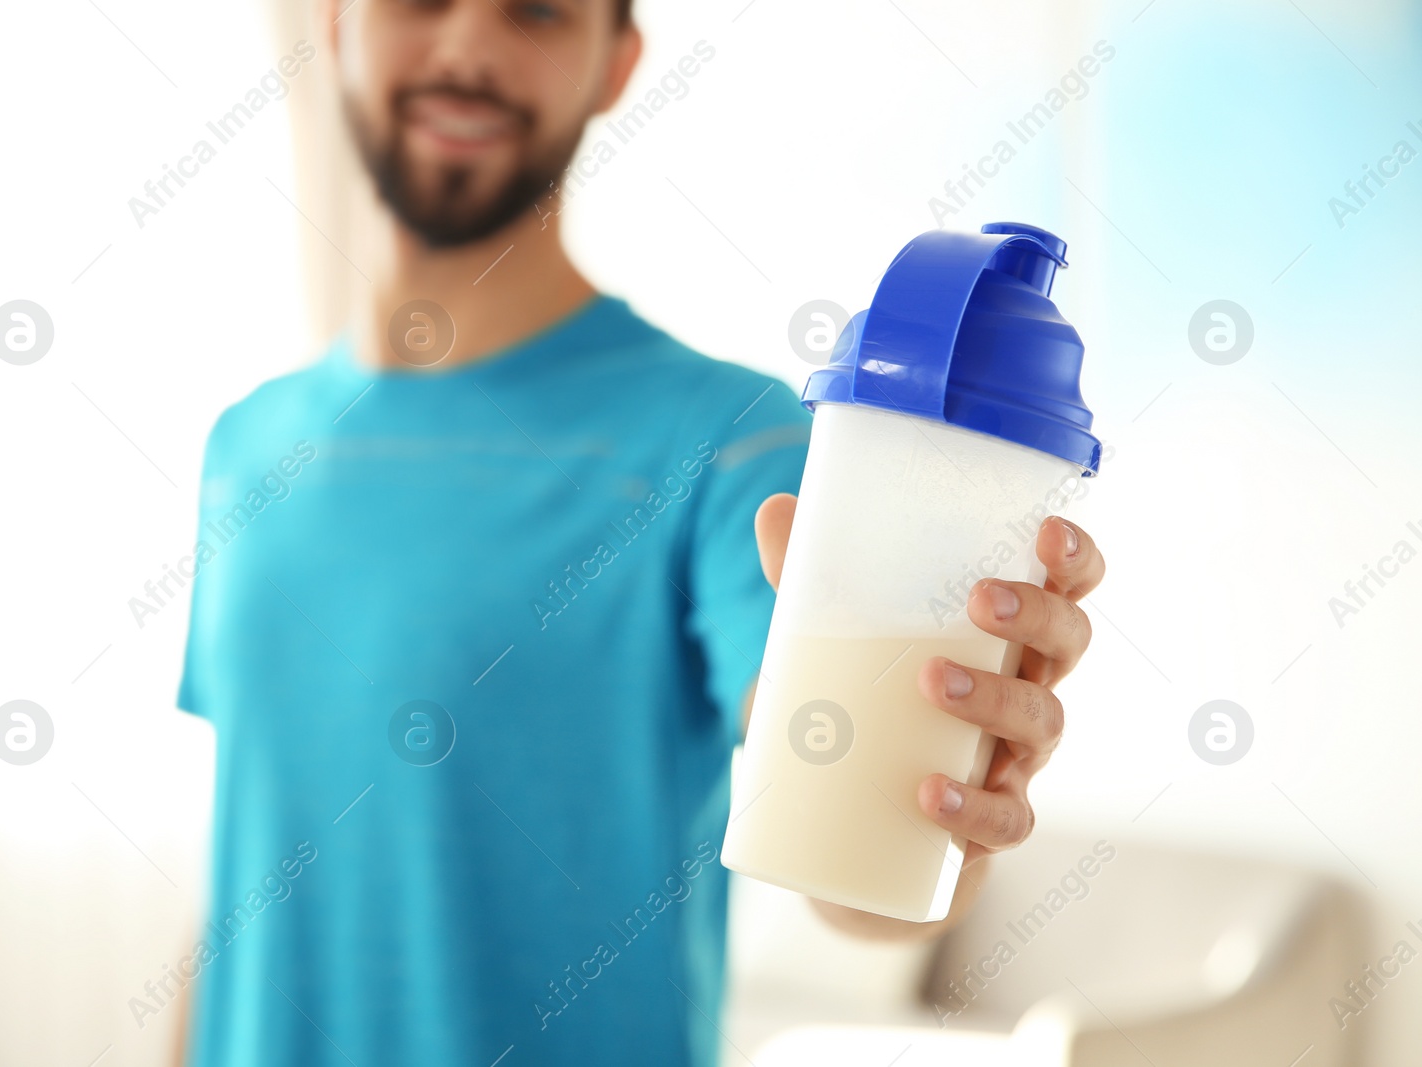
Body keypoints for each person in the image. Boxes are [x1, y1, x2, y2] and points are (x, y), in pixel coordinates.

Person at [173, 1, 1106, 1064]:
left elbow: (863, 879)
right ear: (336, 25)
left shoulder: (729, 447)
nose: (470, 47)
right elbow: (248, 871)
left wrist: (954, 799)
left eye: (534, 12)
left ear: (614, 66)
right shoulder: (246, 447)